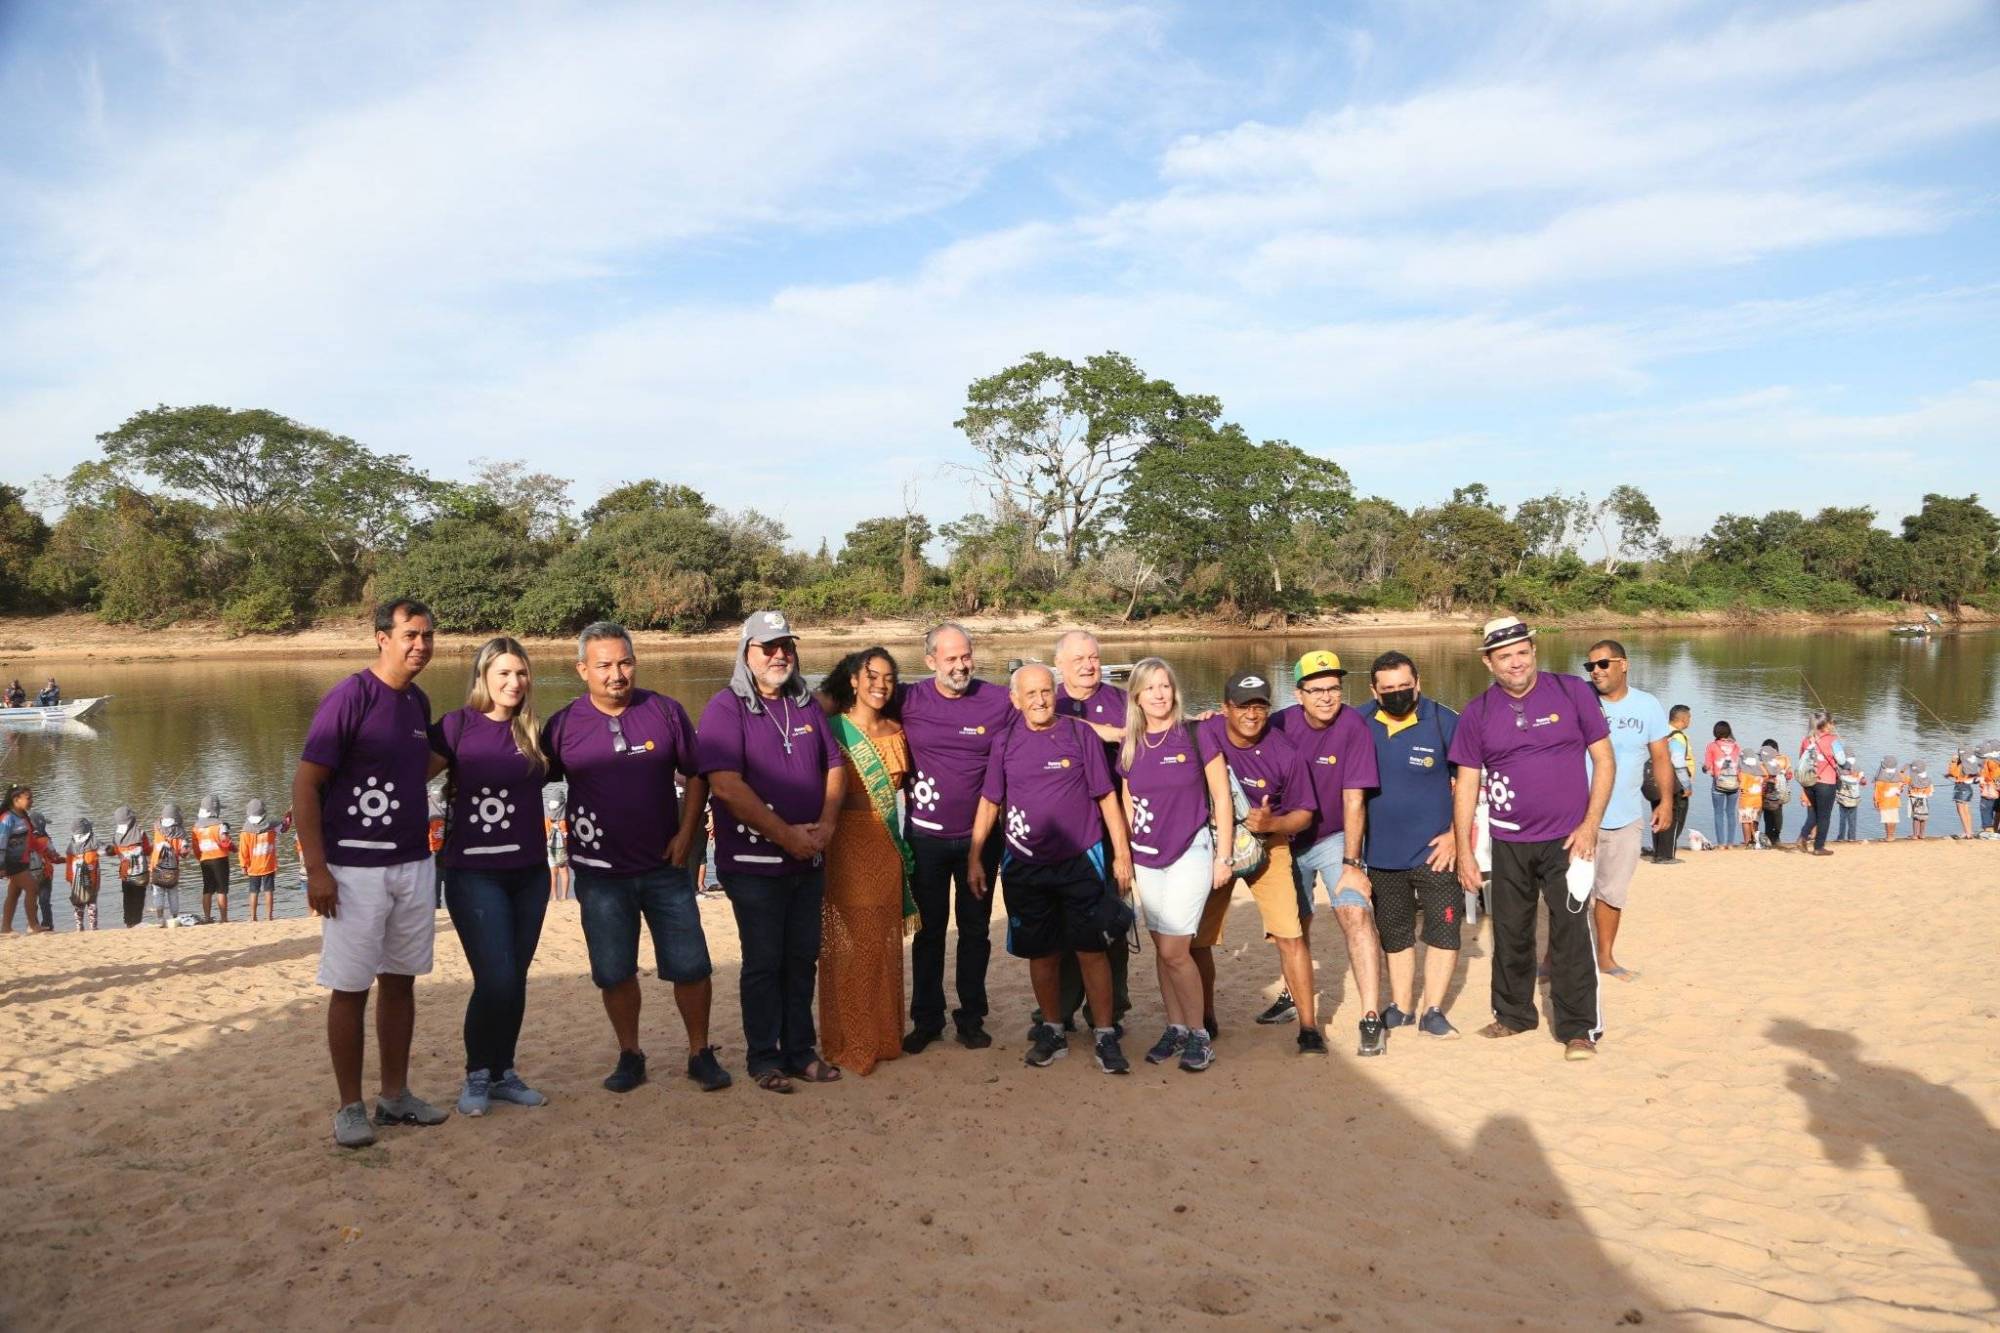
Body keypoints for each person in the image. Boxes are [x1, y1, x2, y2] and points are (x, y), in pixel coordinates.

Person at [292, 598, 450, 1149]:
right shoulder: (349, 696)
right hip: (354, 866)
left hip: (411, 860)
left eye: (428, 636)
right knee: (351, 985)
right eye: (410, 634)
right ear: (381, 637)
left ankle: (396, 1095)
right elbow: (306, 784)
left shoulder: (417, 701)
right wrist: (317, 868)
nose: (420, 645)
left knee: (401, 980)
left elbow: (418, 766)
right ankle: (349, 1106)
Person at [545, 622, 728, 1096]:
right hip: (600, 875)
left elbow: (697, 775)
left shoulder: (664, 712)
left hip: (664, 868)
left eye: (624, 662)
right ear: (582, 669)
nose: (616, 674)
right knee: (614, 970)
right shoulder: (562, 725)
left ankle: (699, 1052)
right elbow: (526, 777)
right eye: (603, 665)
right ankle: (630, 1054)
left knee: (691, 965)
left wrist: (688, 834)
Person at [1449, 616, 1614, 1062]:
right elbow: (1466, 785)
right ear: (1488, 662)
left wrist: (1591, 824)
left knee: (1570, 933)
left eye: (1522, 652)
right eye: (1504, 656)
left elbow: (1604, 760)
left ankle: (1578, 1029)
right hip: (1508, 841)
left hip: (1568, 840)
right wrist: (1465, 850)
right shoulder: (1477, 713)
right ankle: (1514, 1013)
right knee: (1511, 932)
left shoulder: (1571, 691)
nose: (1516, 663)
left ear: (1534, 651)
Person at [700, 610, 845, 1094]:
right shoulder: (726, 708)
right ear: (746, 654)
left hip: (810, 857)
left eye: (786, 645)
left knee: (803, 956)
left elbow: (835, 767)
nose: (780, 654)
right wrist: (787, 835)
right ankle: (764, 1057)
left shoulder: (804, 703)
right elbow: (725, 785)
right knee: (764, 961)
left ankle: (800, 1051)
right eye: (768, 646)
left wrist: (826, 825)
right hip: (756, 865)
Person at [968, 662, 1135, 1074]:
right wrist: (974, 856)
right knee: (1041, 955)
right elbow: (990, 801)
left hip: (1082, 861)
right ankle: (1054, 1029)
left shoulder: (1080, 735)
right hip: (1026, 865)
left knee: (1091, 951)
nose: (1040, 700)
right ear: (1015, 701)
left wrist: (1121, 854)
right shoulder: (1005, 742)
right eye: (1031, 694)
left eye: (1046, 691)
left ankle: (1105, 1033)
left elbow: (1106, 798)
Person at [433, 636, 556, 1117]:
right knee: (496, 978)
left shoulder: (535, 732)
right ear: (483, 676)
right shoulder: (456, 727)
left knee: (515, 979)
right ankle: (477, 1075)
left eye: (521, 673)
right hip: (473, 873)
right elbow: (405, 776)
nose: (514, 682)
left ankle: (504, 1072)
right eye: (503, 673)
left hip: (528, 874)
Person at [893, 622, 1014, 1054]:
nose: (961, 666)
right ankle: (926, 1020)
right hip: (923, 840)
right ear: (930, 662)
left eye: (966, 656)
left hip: (980, 841)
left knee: (975, 930)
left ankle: (971, 1018)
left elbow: (1048, 719)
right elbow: (853, 712)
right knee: (928, 933)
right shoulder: (907, 698)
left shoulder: (999, 700)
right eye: (951, 659)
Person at [1202, 669, 1329, 1055]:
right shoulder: (1205, 732)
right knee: (1197, 941)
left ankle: (1308, 1028)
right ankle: (1205, 1018)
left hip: (1268, 846)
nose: (1252, 715)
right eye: (1243, 706)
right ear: (1225, 708)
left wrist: (1273, 822)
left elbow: (1305, 812)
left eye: (1260, 706)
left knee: (1290, 937)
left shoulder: (1285, 752)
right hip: (1215, 845)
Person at [1117, 657, 1232, 1073]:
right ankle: (1176, 1027)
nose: (1160, 694)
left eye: (1165, 686)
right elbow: (1128, 801)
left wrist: (1224, 857)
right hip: (1146, 859)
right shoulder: (1130, 745)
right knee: (1161, 950)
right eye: (1150, 688)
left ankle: (1200, 1034)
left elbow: (1221, 798)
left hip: (1189, 851)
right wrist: (1125, 855)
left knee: (1175, 949)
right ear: (1137, 697)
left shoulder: (1197, 734)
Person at [1270, 649, 1386, 1055]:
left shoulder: (1353, 725)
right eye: (1316, 689)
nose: (1326, 697)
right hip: (1287, 840)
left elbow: (1354, 799)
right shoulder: (1278, 724)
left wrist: (1353, 864)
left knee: (1355, 913)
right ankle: (1292, 994)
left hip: (1335, 836)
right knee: (1293, 925)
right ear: (1298, 693)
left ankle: (1371, 1016)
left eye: (1333, 688)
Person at [819, 646, 918, 1077]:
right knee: (849, 946)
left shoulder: (899, 730)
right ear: (853, 680)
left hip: (886, 847)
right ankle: (849, 1039)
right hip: (844, 845)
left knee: (881, 943)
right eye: (871, 676)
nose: (880, 685)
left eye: (888, 678)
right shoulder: (831, 729)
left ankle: (883, 1036)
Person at [1357, 651, 1464, 1038]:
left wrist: (1457, 834)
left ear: (1417, 683)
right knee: (1395, 932)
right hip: (1382, 854)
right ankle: (1401, 1006)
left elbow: (1470, 781)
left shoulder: (1444, 721)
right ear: (1374, 690)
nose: (1398, 694)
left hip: (1437, 852)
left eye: (1405, 687)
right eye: (1389, 690)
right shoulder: (1358, 722)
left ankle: (1433, 1010)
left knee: (1443, 930)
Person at [1048, 630, 1133, 1033]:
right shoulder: (1050, 704)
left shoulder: (1121, 702)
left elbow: (1163, 729)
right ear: (1060, 665)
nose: (1088, 665)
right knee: (1062, 927)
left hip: (1111, 829)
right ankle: (1060, 1010)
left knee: (1111, 924)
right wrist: (1095, 731)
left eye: (1094, 657)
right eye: (1079, 659)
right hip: (1062, 835)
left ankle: (1111, 1010)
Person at [1580, 641, 1673, 983]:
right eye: (1590, 667)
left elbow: (1661, 758)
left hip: (1624, 818)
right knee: (1567, 893)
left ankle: (1605, 957)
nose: (1596, 672)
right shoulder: (1579, 700)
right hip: (1577, 818)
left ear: (1624, 665)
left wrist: (1665, 801)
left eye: (1603, 664)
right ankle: (1553, 958)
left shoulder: (1647, 705)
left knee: (1612, 892)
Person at [1794, 710, 1846, 856]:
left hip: (1809, 782)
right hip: (1826, 782)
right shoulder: (1832, 740)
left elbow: (1801, 759)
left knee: (1816, 812)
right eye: (1831, 722)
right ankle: (1819, 846)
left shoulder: (1806, 740)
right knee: (1824, 816)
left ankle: (1803, 836)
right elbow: (1842, 761)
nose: (1833, 725)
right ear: (1826, 724)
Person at [0, 785, 47, 933]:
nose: (32, 801)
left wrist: (48, 853)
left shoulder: (24, 817)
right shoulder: (7, 818)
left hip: (22, 861)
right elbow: (1, 842)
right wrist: (1, 866)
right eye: (29, 798)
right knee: (32, 888)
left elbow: (31, 840)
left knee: (14, 893)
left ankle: (6, 928)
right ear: (16, 800)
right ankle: (33, 925)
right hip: (11, 863)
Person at [1652, 704, 1695, 864]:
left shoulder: (1660, 732)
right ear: (1683, 719)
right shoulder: (1677, 737)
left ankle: (1658, 852)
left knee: (1657, 816)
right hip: (1673, 784)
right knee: (1674, 818)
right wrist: (1687, 785)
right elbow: (1678, 762)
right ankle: (1667, 855)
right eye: (1689, 717)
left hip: (1656, 781)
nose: (1690, 720)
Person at [238, 800, 286, 921]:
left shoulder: (245, 829)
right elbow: (284, 828)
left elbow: (243, 850)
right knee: (269, 891)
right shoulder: (271, 824)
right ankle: (269, 917)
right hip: (268, 864)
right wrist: (287, 817)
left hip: (253, 867)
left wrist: (243, 865)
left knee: (253, 891)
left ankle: (253, 917)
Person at [191, 795, 234, 923]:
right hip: (220, 858)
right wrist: (233, 848)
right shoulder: (220, 825)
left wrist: (200, 858)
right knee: (221, 890)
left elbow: (195, 848)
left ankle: (207, 918)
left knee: (207, 889)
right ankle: (224, 918)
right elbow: (225, 841)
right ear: (215, 810)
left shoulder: (196, 827)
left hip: (205, 860)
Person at [108, 806, 150, 928]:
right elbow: (147, 850)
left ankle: (128, 922)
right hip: (140, 873)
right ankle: (137, 921)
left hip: (125, 874)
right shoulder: (141, 833)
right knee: (139, 898)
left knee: (127, 898)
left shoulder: (116, 836)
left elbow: (115, 851)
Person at [1702, 722, 1742, 847]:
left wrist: (1704, 768)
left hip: (1718, 785)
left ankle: (1720, 843)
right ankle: (1730, 843)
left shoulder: (1712, 746)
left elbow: (1707, 766)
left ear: (1716, 732)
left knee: (1718, 813)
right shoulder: (1736, 746)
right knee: (1730, 813)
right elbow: (1740, 766)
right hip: (1734, 785)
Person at [150, 803, 190, 926]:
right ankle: (174, 917)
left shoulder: (158, 829)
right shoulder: (181, 834)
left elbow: (157, 821)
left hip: (156, 868)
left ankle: (160, 919)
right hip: (172, 870)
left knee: (158, 894)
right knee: (173, 893)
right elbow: (184, 853)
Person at [64, 818, 101, 930]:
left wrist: (70, 881)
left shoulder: (71, 847)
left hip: (75, 882)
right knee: (92, 902)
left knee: (78, 904)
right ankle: (93, 926)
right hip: (92, 881)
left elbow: (69, 868)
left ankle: (79, 926)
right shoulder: (94, 844)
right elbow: (105, 851)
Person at [1759, 741, 1791, 848]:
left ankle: (1776, 836)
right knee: (1768, 817)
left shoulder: (1782, 760)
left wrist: (1787, 774)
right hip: (1766, 795)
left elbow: (1789, 773)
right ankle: (1769, 837)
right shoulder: (1763, 762)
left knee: (1777, 817)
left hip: (1778, 794)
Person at [29, 813, 56, 932]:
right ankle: (47, 924)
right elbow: (53, 855)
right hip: (45, 874)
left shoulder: (24, 840)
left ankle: (33, 924)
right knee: (44, 901)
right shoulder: (45, 839)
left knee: (31, 901)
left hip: (28, 876)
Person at [543, 794, 570, 901]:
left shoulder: (548, 819)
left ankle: (554, 897)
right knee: (564, 872)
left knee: (553, 873)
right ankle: (564, 896)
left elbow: (546, 835)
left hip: (550, 848)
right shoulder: (564, 821)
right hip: (561, 849)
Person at [1947, 749, 1978, 839]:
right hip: (1968, 788)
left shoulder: (1960, 764)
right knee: (1967, 810)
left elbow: (1952, 773)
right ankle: (1969, 831)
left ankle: (1967, 832)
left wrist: (1953, 762)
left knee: (1961, 811)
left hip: (1961, 788)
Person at [1736, 756, 1765, 849]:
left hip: (1746, 801)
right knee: (1754, 822)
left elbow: (1741, 784)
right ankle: (1755, 841)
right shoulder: (1760, 770)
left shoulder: (1745, 773)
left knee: (1745, 822)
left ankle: (1747, 842)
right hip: (1757, 801)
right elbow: (1766, 775)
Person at [1873, 757, 1904, 841]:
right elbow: (1901, 788)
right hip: (1895, 801)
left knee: (1887, 820)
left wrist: (1876, 801)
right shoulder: (1898, 776)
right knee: (1893, 819)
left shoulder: (1881, 777)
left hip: (1884, 802)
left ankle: (1888, 836)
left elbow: (1877, 791)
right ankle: (1892, 835)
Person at [1835, 759, 1863, 842]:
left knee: (1842, 819)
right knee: (1852, 820)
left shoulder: (1842, 778)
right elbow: (1861, 780)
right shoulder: (1856, 780)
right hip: (1853, 802)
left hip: (1843, 801)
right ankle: (1852, 837)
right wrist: (1860, 775)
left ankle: (1841, 837)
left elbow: (1837, 780)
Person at [1906, 760, 1933, 840]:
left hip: (1915, 799)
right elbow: (1930, 793)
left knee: (1916, 818)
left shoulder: (1911, 778)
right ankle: (1922, 834)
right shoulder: (1928, 779)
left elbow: (1903, 780)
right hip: (1924, 799)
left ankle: (1915, 835)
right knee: (1923, 818)